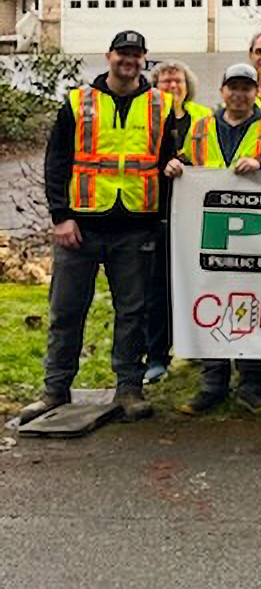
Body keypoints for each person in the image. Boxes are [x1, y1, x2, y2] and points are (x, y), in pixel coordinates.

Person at [19, 31, 179, 425]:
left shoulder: (161, 105)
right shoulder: (78, 103)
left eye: (136, 54)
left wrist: (175, 169)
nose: (129, 60)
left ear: (144, 59)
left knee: (133, 313)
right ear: (109, 56)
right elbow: (57, 162)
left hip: (136, 227)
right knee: (66, 311)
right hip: (80, 227)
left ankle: (129, 388)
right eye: (123, 53)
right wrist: (60, 216)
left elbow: (172, 157)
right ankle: (55, 389)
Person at [166, 63, 261, 415]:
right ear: (222, 91)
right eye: (233, 87)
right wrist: (177, 165)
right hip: (210, 233)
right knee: (210, 302)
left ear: (255, 92)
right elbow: (188, 162)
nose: (239, 94)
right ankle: (213, 382)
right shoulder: (202, 127)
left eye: (246, 88)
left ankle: (252, 382)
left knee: (252, 304)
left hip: (256, 236)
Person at [142, 60, 210, 384]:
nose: (172, 86)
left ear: (188, 85)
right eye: (165, 81)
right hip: (159, 211)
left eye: (177, 81)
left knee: (198, 283)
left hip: (197, 214)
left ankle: (198, 345)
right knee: (158, 288)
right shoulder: (148, 117)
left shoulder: (204, 118)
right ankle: (157, 355)